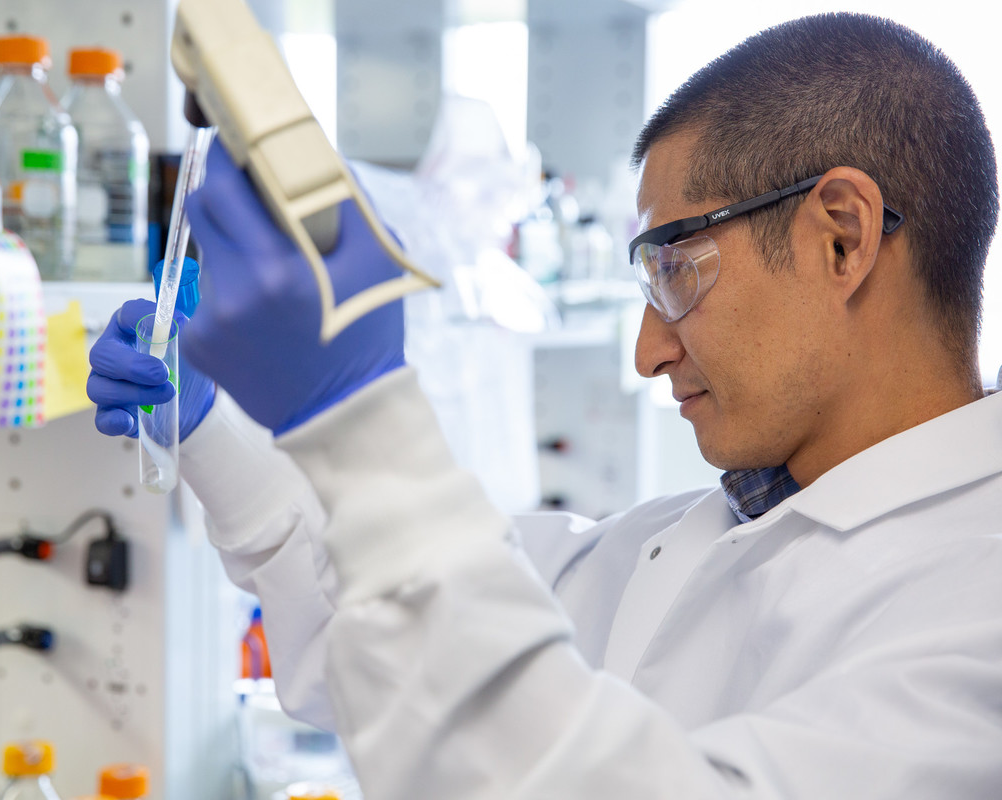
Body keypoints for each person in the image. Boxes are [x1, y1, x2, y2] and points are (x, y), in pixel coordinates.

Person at [87, 12, 1002, 799]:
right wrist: (211, 433)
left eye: (676, 270)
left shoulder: (975, 621)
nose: (649, 350)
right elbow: (390, 642)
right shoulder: (691, 535)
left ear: (841, 238)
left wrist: (359, 418)